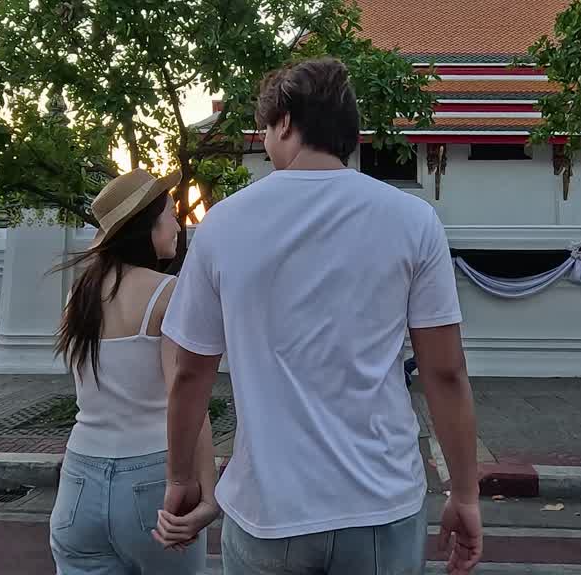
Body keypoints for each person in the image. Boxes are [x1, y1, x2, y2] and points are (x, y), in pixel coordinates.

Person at [153, 58, 483, 574]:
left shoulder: (225, 224)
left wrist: (180, 479)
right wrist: (463, 492)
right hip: (380, 504)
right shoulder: (413, 219)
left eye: (264, 128)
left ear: (284, 122)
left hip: (268, 509)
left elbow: (190, 371)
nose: (264, 141)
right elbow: (445, 371)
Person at [49, 169, 218, 575]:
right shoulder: (168, 293)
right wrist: (208, 493)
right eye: (170, 214)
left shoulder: (80, 296)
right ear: (146, 226)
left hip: (78, 480)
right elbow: (187, 394)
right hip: (150, 479)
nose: (177, 224)